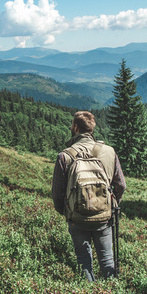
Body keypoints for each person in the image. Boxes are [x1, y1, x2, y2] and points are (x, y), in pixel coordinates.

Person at [51, 111, 126, 282]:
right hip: (104, 218)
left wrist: (66, 211)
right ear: (92, 129)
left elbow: (57, 192)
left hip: (77, 218)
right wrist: (111, 204)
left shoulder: (65, 156)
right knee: (107, 260)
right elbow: (121, 185)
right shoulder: (109, 152)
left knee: (84, 262)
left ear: (76, 127)